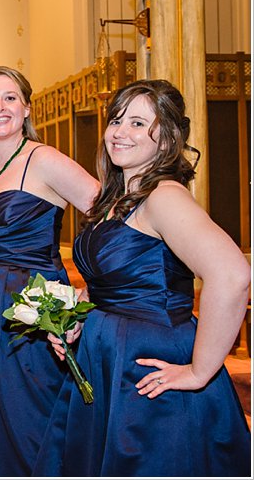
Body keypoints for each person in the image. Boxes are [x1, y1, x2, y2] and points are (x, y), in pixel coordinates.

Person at [33, 79, 251, 477]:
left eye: (137, 123)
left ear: (166, 139)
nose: (119, 132)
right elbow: (112, 282)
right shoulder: (116, 199)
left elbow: (232, 273)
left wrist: (200, 370)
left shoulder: (164, 196)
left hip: (147, 361)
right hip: (106, 356)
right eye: (117, 120)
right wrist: (74, 319)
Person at [0, 66, 99, 476]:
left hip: (28, 314)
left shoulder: (44, 160)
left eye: (9, 98)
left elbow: (109, 219)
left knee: (33, 414)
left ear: (27, 107)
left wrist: (91, 289)